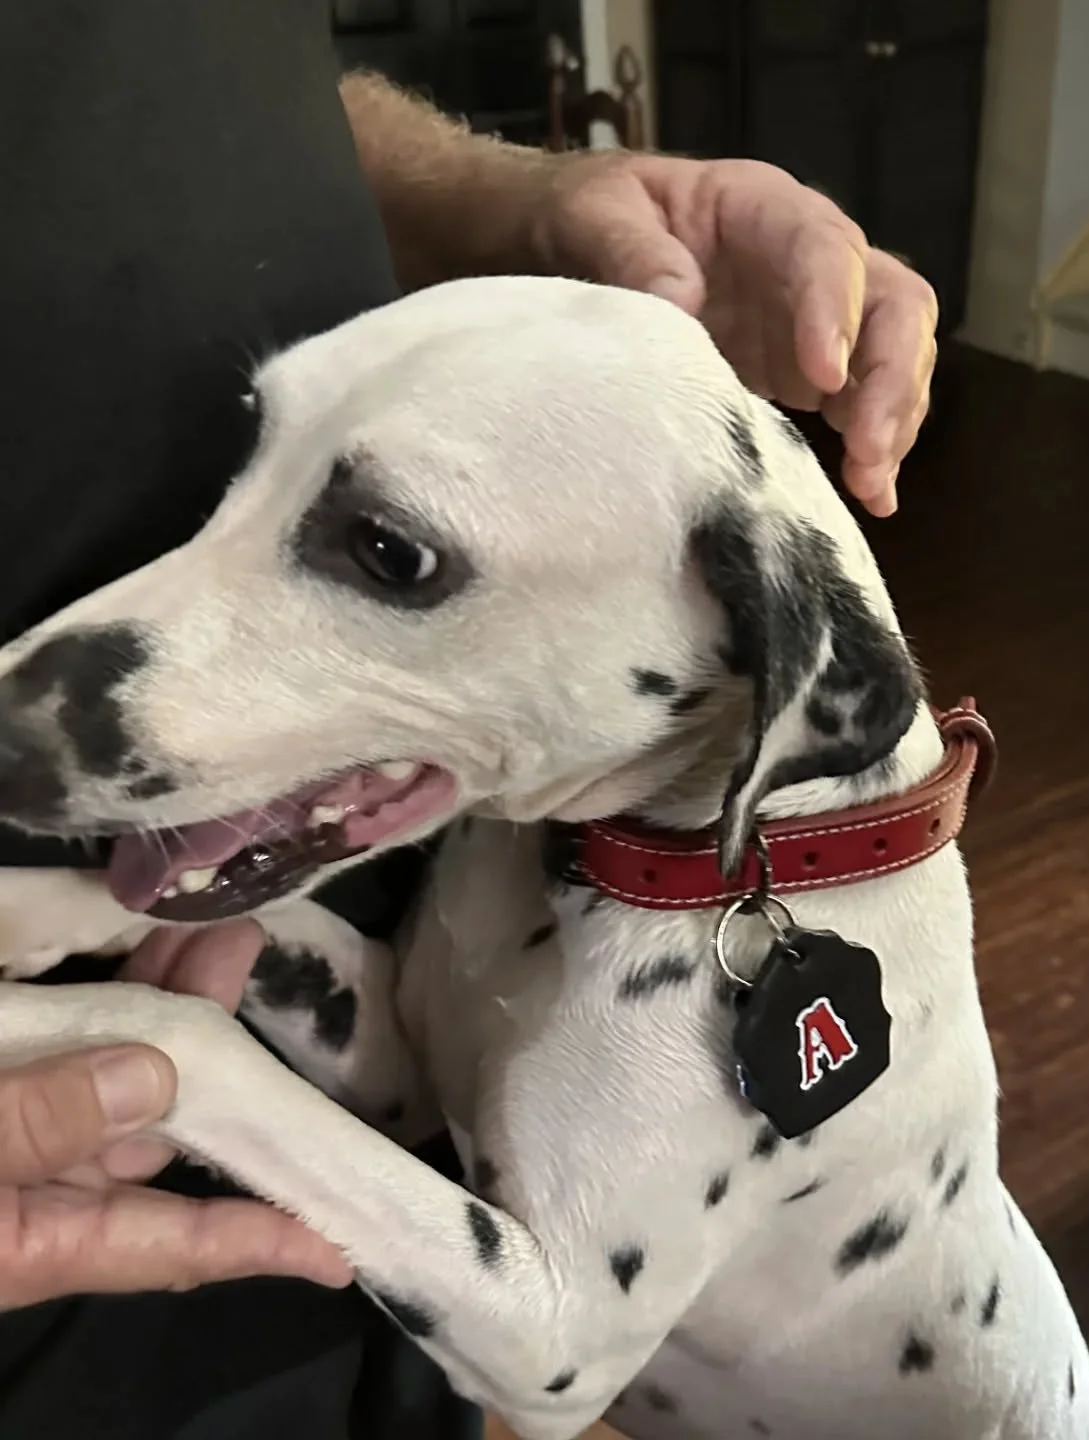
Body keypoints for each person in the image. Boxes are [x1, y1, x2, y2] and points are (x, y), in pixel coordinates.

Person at [0, 2, 939, 1435]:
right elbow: (415, 1072)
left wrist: (522, 196)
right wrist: (110, 939)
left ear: (770, 663)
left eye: (391, 554)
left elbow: (559, 1367)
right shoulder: (552, 801)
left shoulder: (621, 805)